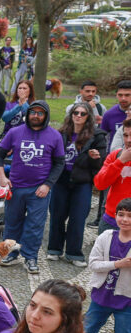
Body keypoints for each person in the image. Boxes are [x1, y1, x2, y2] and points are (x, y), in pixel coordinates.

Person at [0, 101, 65, 274]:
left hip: (39, 190)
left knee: (35, 225)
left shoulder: (55, 136)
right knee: (12, 221)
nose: (36, 116)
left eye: (40, 113)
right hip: (15, 187)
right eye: (33, 112)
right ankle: (10, 253)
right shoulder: (15, 132)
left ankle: (30, 257)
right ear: (28, 113)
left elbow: (59, 163)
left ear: (46, 116)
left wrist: (48, 185)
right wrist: (2, 177)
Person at [46, 104, 106, 266]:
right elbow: (50, 156)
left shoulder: (97, 136)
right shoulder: (60, 134)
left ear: (88, 117)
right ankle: (54, 249)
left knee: (78, 218)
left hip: (82, 181)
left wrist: (94, 158)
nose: (78, 116)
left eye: (83, 113)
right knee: (57, 215)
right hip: (61, 179)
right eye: (75, 112)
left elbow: (101, 164)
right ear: (71, 114)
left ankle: (73, 253)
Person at [84, 196, 131, 333]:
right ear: (115, 216)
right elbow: (93, 264)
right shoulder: (106, 237)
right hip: (101, 296)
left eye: (130, 216)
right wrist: (117, 264)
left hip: (126, 301)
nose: (125, 219)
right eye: (121, 214)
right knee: (86, 332)